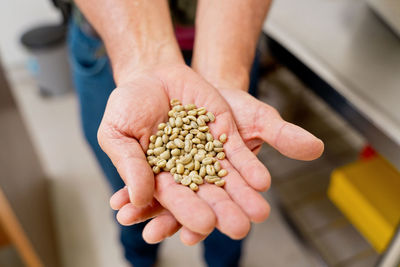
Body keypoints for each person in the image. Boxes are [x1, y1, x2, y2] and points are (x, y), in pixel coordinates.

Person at [67, 0, 324, 266]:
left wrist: (223, 77)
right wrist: (145, 63)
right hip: (115, 33)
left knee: (226, 207)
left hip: (231, 36)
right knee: (133, 186)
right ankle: (139, 259)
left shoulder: (201, 130)